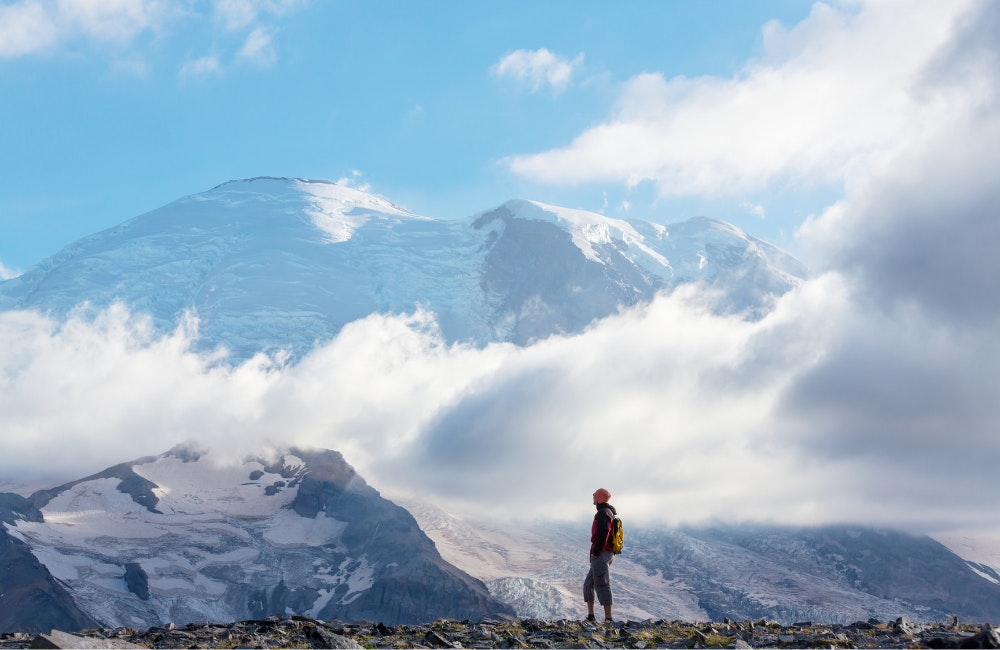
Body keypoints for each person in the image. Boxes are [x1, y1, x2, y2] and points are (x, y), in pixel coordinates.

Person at [584, 487, 616, 623]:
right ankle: (591, 616)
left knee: (602, 584)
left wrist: (597, 551)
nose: (593, 498)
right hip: (605, 554)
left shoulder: (603, 514)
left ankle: (608, 619)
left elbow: (603, 533)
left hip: (601, 554)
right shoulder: (608, 512)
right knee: (589, 584)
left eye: (594, 496)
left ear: (599, 499)